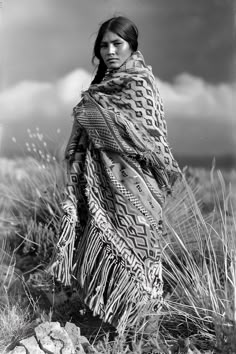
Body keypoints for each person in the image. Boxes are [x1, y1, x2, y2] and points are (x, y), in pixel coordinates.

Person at [48, 16, 182, 334]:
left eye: (116, 44)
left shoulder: (141, 85)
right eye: (104, 45)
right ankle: (109, 319)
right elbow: (92, 125)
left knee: (140, 247)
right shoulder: (99, 90)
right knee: (108, 243)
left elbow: (149, 140)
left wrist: (90, 112)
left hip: (140, 187)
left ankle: (142, 325)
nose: (110, 51)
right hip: (102, 186)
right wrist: (91, 111)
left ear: (131, 46)